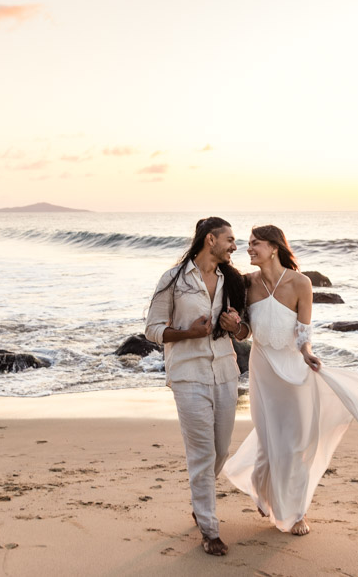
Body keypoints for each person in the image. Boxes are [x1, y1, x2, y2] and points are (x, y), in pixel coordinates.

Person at [222, 225, 358, 535]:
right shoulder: (247, 284)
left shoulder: (301, 283)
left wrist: (307, 352)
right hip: (263, 369)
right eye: (247, 244)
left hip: (295, 370)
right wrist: (235, 328)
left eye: (255, 244)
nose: (249, 249)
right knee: (267, 439)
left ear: (274, 247)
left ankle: (296, 511)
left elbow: (304, 332)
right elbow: (246, 331)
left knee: (298, 443)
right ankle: (263, 489)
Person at [145, 217, 249, 556]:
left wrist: (235, 327)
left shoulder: (230, 280)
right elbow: (153, 330)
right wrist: (190, 333)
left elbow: (245, 330)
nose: (235, 246)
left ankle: (199, 499)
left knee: (220, 451)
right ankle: (209, 528)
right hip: (188, 374)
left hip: (225, 371)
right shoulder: (173, 280)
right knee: (202, 454)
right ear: (210, 240)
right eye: (230, 239)